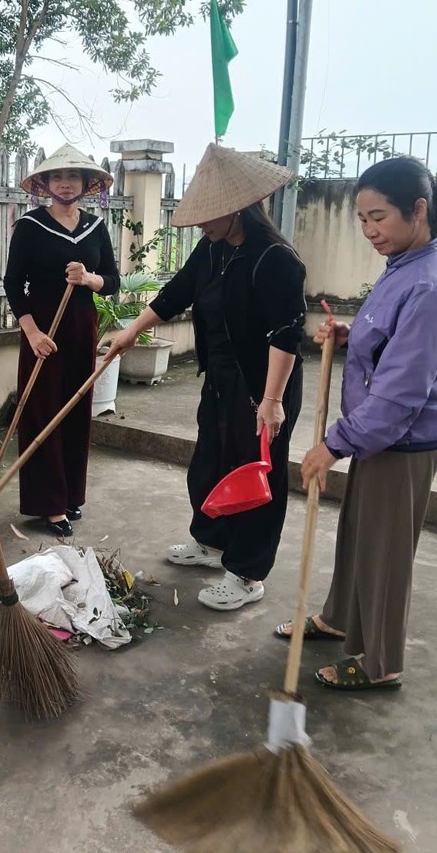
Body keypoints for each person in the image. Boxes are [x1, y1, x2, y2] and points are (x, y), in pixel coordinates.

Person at [112, 144, 306, 610]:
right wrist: (130, 332)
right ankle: (211, 542)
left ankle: (247, 573)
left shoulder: (276, 258)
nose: (200, 224)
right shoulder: (215, 247)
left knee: (257, 474)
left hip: (263, 388)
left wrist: (272, 400)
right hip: (220, 378)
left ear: (237, 209)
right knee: (212, 462)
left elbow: (287, 334)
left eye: (207, 215)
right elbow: (178, 291)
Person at [275, 156, 437, 690]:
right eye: (362, 219)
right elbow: (391, 344)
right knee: (358, 537)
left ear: (418, 209)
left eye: (379, 217)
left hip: (401, 441)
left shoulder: (428, 285)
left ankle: (380, 661)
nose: (370, 231)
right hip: (380, 437)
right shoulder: (403, 268)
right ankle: (340, 618)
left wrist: (333, 444)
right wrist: (350, 336)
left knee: (384, 553)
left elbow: (402, 391)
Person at [3, 144, 119, 536]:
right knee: (42, 412)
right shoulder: (30, 226)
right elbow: (13, 283)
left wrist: (89, 279)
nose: (65, 184)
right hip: (43, 334)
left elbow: (113, 282)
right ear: (46, 183)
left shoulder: (96, 228)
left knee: (75, 409)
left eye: (74, 178)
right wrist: (32, 333)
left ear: (87, 184)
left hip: (81, 329)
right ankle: (48, 505)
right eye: (57, 177)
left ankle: (70, 496)